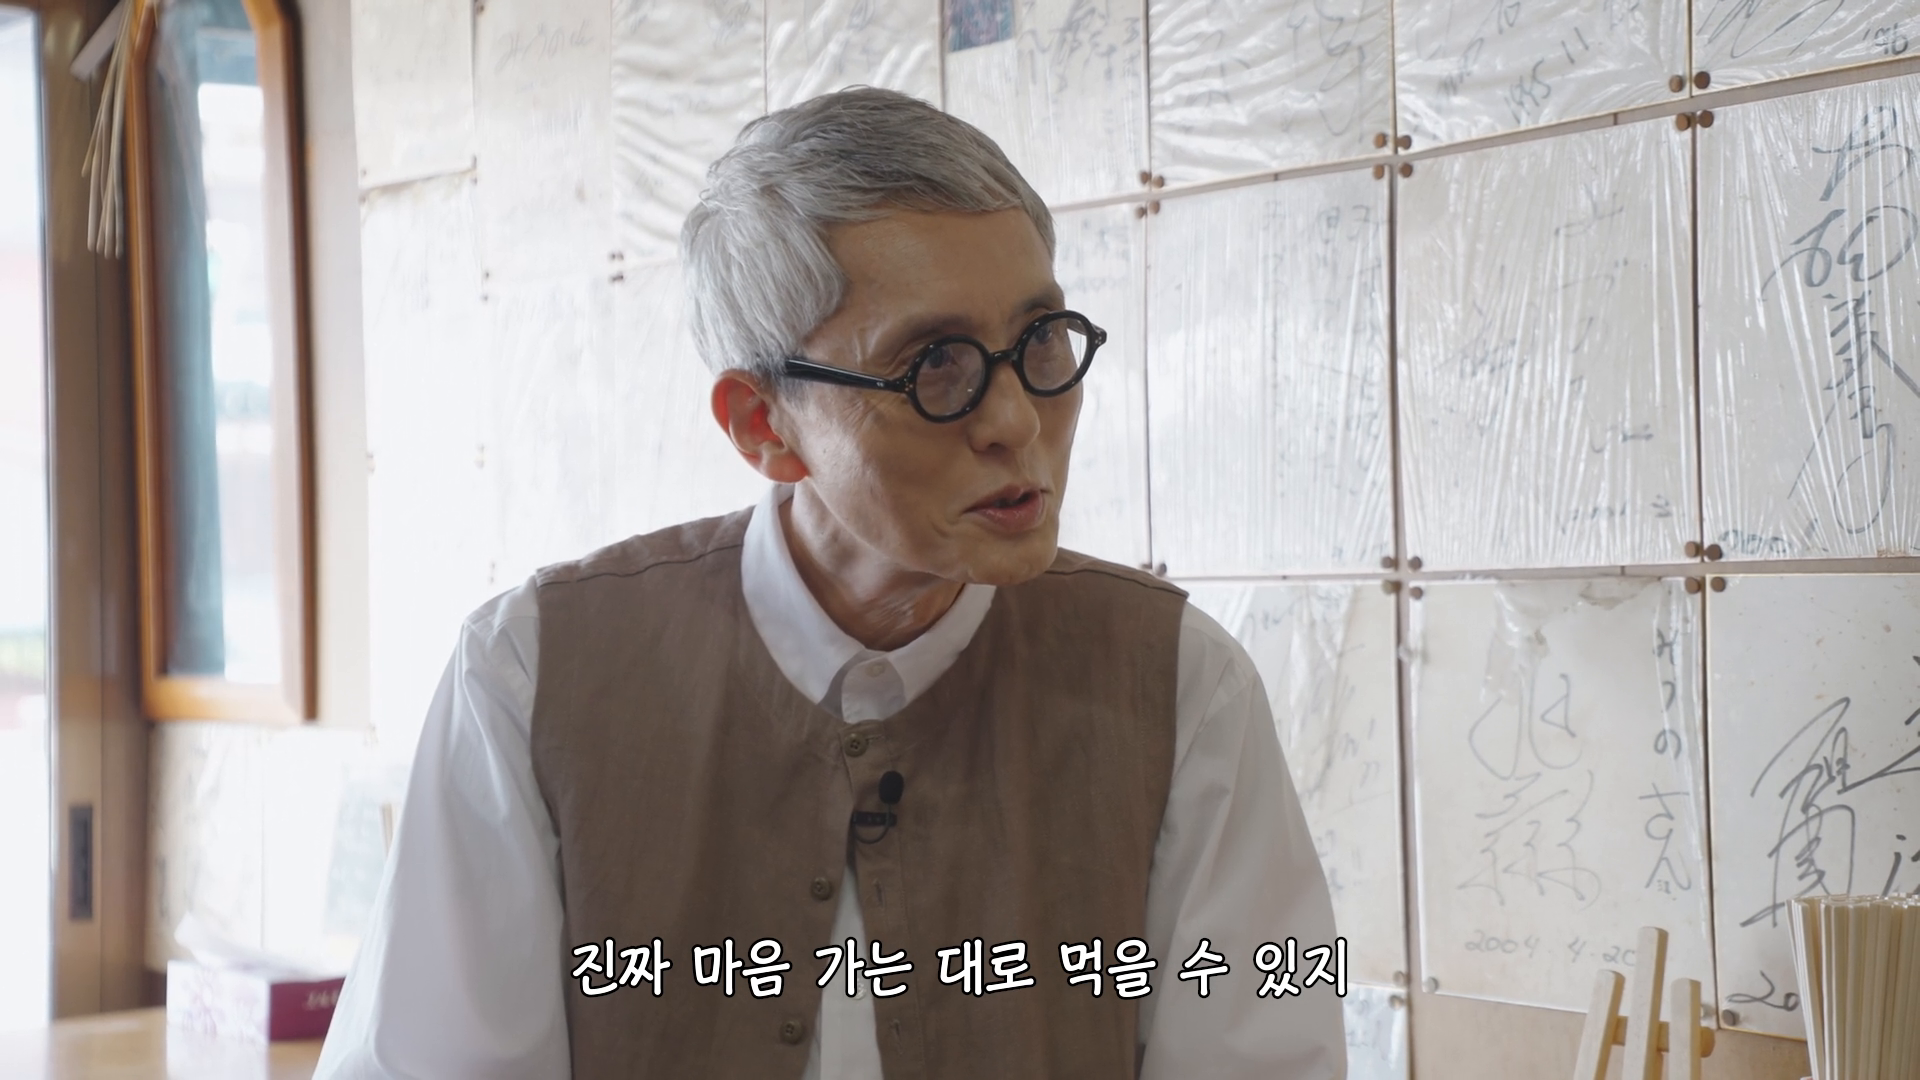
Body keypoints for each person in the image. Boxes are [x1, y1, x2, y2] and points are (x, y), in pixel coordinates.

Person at [314, 87, 1345, 1079]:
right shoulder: (533, 675)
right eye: (935, 367)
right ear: (764, 425)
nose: (1016, 420)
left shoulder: (1179, 683)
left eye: (1039, 342)